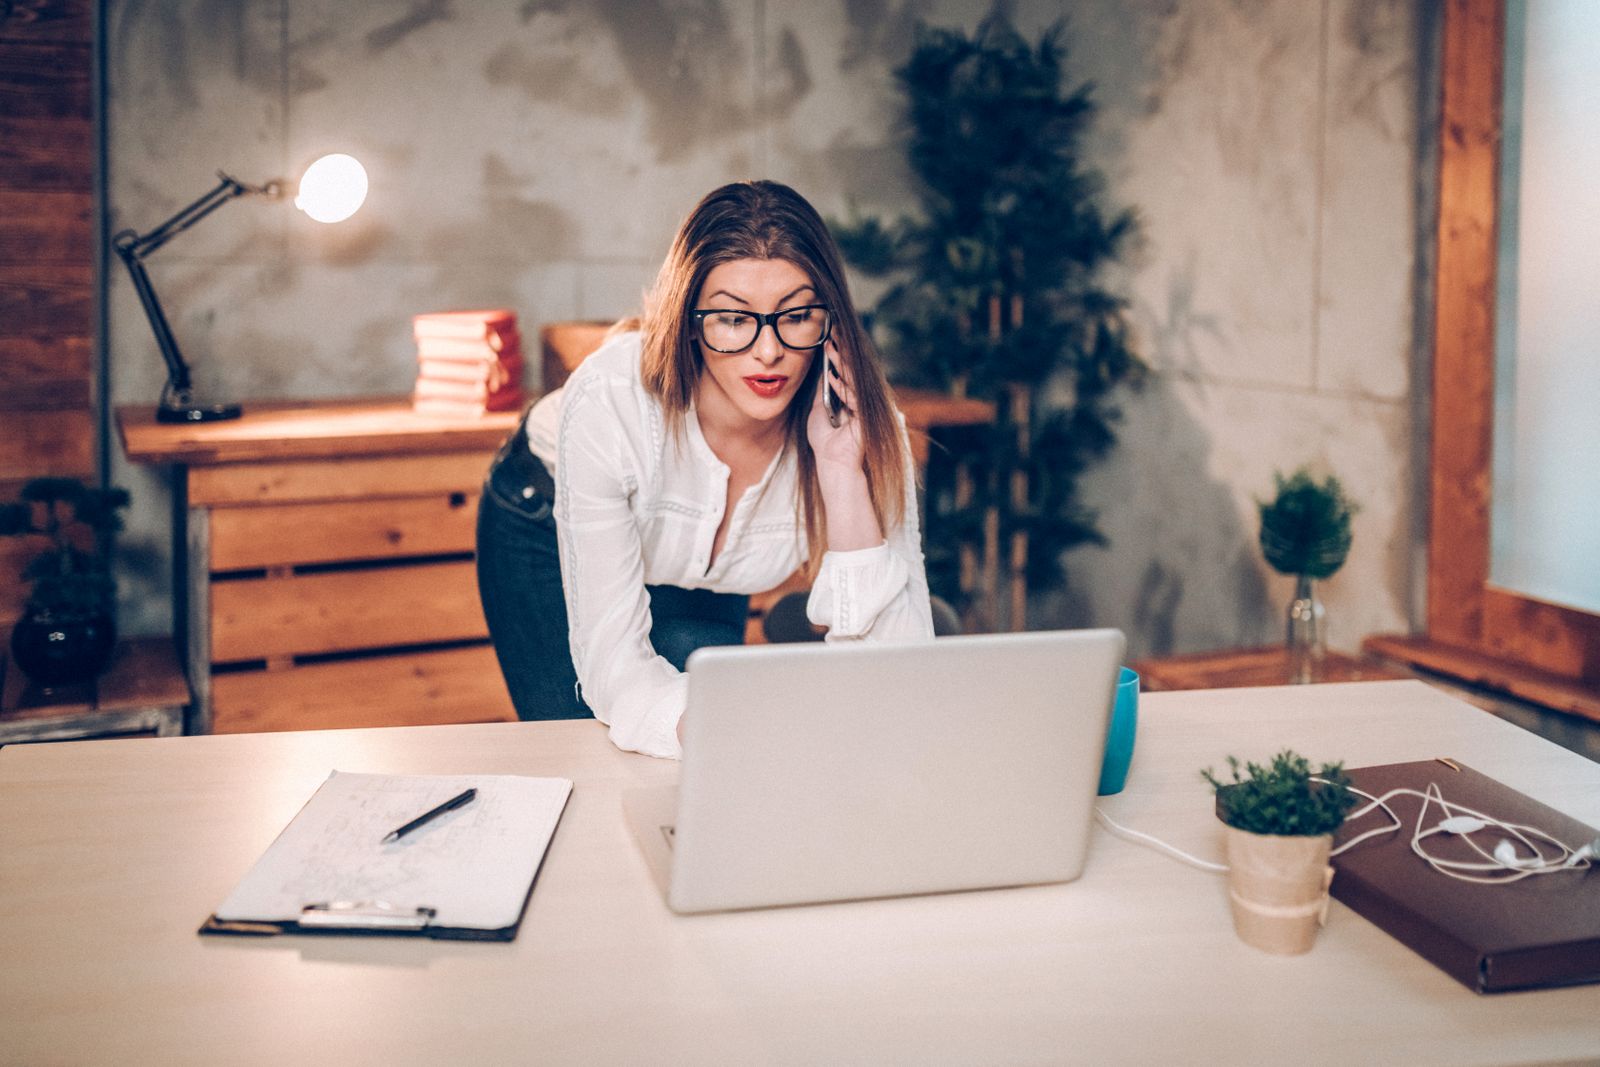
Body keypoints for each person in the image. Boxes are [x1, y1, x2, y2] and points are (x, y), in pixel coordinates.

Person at [476, 180, 933, 758]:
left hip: (704, 569)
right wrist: (706, 728)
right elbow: (615, 668)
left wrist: (842, 470)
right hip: (539, 512)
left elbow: (895, 674)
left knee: (699, 741)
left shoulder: (865, 430)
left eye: (796, 316)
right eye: (733, 319)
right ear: (690, 322)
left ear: (832, 321)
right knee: (587, 742)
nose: (768, 352)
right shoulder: (610, 400)